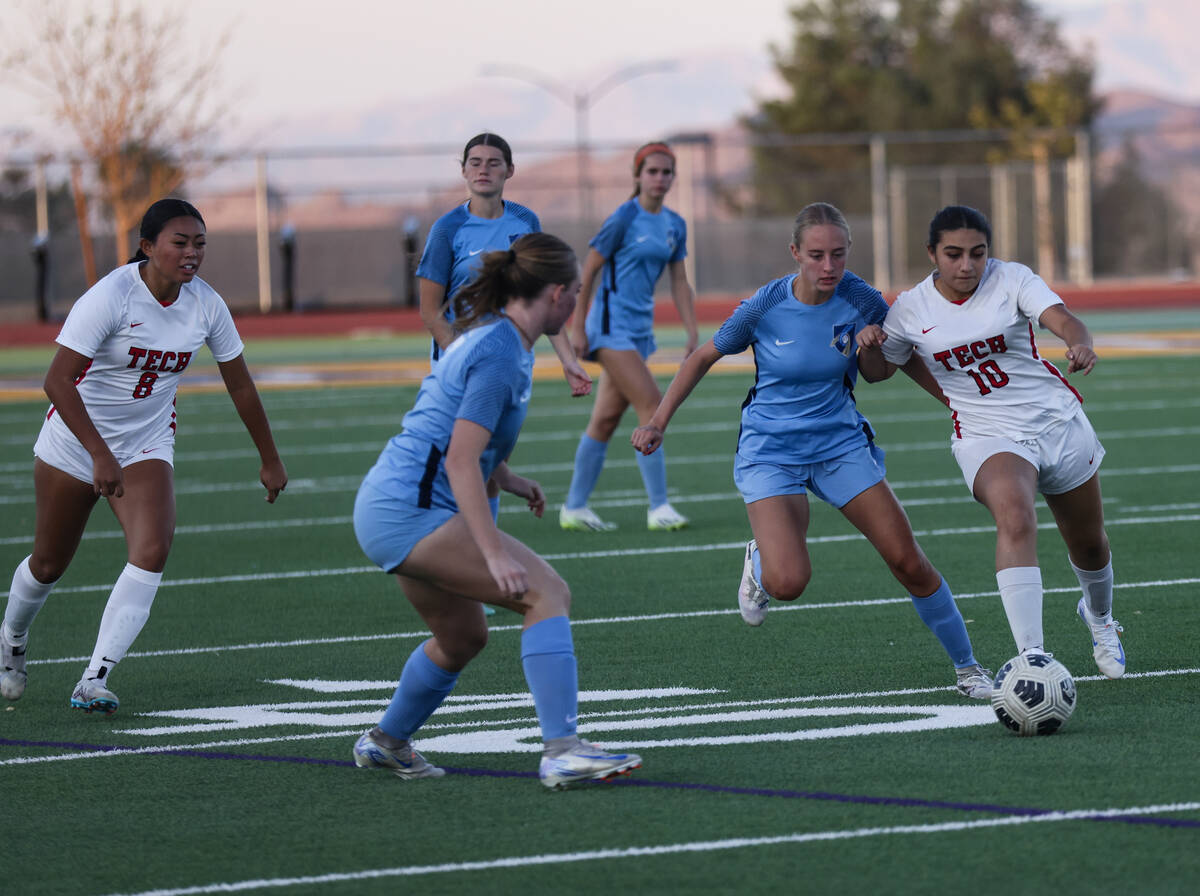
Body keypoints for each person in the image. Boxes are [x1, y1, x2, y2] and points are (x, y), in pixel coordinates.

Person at [631, 202, 992, 698]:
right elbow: (702, 357)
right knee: (788, 583)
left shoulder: (862, 298)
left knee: (908, 561)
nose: (828, 268)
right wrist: (657, 421)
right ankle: (761, 560)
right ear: (795, 252)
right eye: (817, 255)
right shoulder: (763, 306)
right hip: (770, 451)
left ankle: (968, 669)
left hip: (839, 444)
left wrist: (957, 403)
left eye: (838, 255)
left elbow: (893, 362)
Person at [352, 232, 642, 788]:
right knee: (546, 593)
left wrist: (507, 478)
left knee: (464, 638)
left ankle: (386, 742)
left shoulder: (501, 339)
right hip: (410, 510)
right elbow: (461, 461)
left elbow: (454, 435)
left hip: (393, 504)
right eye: (576, 292)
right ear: (555, 293)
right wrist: (492, 553)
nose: (576, 302)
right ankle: (562, 750)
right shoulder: (499, 352)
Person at [0, 198, 288, 714]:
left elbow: (240, 384)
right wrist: (98, 454)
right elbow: (57, 381)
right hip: (75, 441)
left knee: (152, 548)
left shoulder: (206, 304)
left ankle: (95, 677)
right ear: (147, 246)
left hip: (146, 442)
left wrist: (270, 457)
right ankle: (12, 639)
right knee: (48, 563)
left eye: (200, 242)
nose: (192, 253)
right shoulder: (113, 295)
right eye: (180, 242)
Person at [857, 205, 1124, 678]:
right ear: (931, 254)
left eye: (977, 253)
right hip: (987, 432)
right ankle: (1033, 657)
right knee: (1015, 515)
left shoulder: (1012, 279)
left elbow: (1063, 319)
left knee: (1088, 544)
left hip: (1056, 423)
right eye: (954, 254)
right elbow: (878, 374)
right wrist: (869, 347)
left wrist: (1079, 342)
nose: (967, 265)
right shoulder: (911, 309)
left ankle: (1100, 618)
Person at [560, 141, 699, 532]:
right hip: (608, 330)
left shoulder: (675, 224)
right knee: (653, 404)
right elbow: (587, 272)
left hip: (639, 333)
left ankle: (574, 507)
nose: (659, 178)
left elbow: (679, 281)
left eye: (666, 172)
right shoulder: (623, 217)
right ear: (637, 176)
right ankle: (659, 507)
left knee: (604, 420)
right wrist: (578, 326)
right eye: (652, 171)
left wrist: (692, 331)